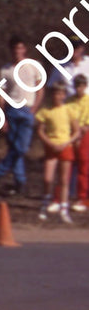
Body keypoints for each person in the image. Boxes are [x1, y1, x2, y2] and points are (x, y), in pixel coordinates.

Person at [0, 36, 43, 196]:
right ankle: (20, 181)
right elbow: (0, 93)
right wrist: (3, 115)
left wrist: (35, 107)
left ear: (24, 49)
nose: (17, 51)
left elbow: (40, 88)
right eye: (14, 49)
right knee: (14, 147)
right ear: (11, 50)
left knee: (22, 147)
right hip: (12, 109)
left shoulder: (34, 66)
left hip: (27, 109)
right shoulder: (5, 70)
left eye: (20, 48)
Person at [34, 81, 80, 221]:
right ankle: (44, 206)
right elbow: (40, 131)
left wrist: (67, 142)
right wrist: (49, 142)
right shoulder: (46, 110)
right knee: (48, 178)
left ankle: (64, 209)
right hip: (51, 147)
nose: (58, 96)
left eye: (61, 94)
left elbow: (76, 131)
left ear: (64, 95)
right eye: (56, 94)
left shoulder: (69, 110)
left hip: (65, 146)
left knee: (64, 180)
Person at [71, 74, 89, 213]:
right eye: (76, 85)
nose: (78, 88)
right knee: (67, 165)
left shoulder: (87, 101)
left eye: (81, 86)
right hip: (70, 135)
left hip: (84, 135)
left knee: (84, 165)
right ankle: (62, 197)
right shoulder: (69, 101)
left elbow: (86, 124)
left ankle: (82, 197)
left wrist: (79, 135)